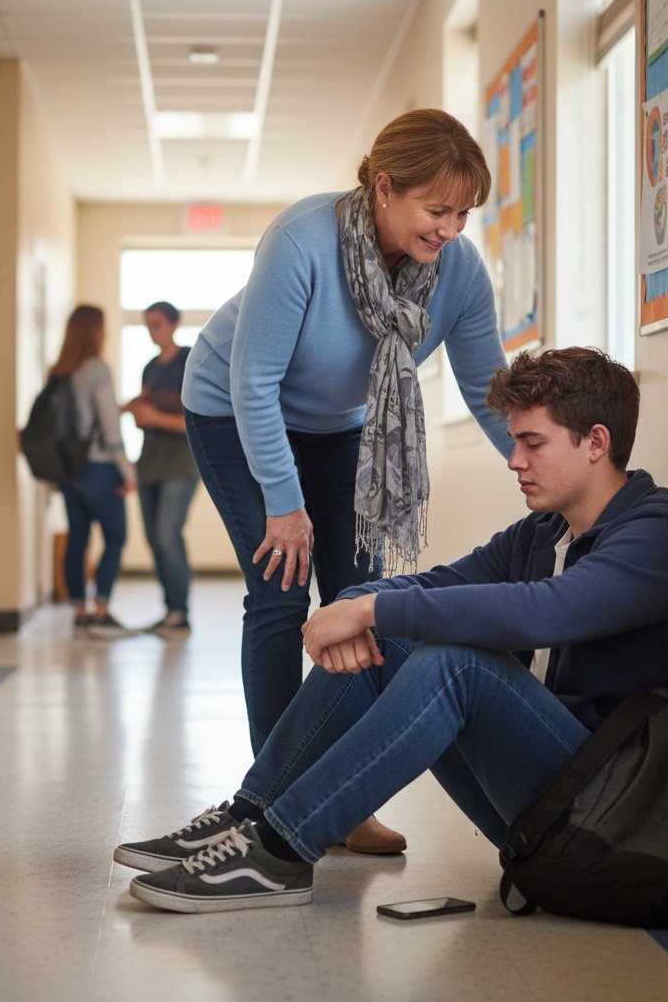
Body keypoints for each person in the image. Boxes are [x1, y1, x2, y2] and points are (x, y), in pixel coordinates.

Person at [118, 347, 668, 914]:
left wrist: (368, 613)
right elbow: (441, 584)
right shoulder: (545, 532)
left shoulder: (659, 534)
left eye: (532, 443)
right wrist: (356, 602)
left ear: (597, 442)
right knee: (397, 640)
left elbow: (543, 610)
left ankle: (278, 853)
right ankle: (252, 816)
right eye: (514, 441)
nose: (514, 460)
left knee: (455, 665)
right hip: (550, 802)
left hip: (613, 820)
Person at [178, 109, 513, 851]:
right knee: (279, 588)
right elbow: (253, 382)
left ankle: (336, 796)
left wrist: (530, 457)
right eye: (437, 209)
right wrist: (283, 504)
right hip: (233, 412)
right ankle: (271, 799)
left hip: (340, 427)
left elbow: (489, 383)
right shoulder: (302, 240)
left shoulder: (455, 271)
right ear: (385, 189)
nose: (451, 229)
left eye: (463, 212)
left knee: (360, 601)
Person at [51, 304, 136, 635]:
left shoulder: (59, 371)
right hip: (99, 466)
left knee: (78, 538)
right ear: (95, 331)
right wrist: (127, 471)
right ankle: (101, 610)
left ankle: (79, 612)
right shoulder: (97, 369)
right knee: (115, 537)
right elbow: (109, 426)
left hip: (69, 469)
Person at [123, 301, 199, 638]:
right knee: (154, 540)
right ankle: (169, 610)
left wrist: (155, 418)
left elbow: (195, 419)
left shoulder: (189, 361)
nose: (152, 331)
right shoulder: (150, 367)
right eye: (147, 325)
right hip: (149, 464)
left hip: (180, 463)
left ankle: (180, 613)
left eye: (157, 324)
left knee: (168, 535)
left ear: (173, 324)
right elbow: (144, 406)